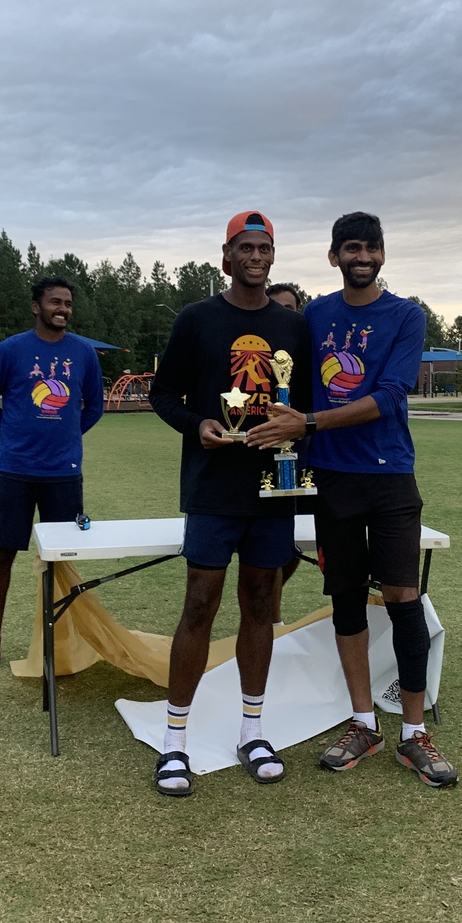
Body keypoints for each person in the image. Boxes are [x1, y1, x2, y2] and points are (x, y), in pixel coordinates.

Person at [249, 211, 457, 788]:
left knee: (403, 598)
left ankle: (414, 732)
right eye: (352, 248)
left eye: (371, 248)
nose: (362, 257)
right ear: (334, 256)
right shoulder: (316, 315)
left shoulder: (406, 315)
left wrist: (309, 422)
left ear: (383, 254)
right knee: (345, 599)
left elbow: (390, 396)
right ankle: (364, 723)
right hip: (332, 477)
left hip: (390, 476)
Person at [148, 211, 311, 796]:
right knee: (200, 604)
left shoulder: (293, 327)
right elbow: (162, 394)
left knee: (261, 602)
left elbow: (307, 405)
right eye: (245, 247)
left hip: (274, 486)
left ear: (273, 256)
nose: (255, 256)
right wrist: (198, 425)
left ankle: (252, 731)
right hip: (214, 486)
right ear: (226, 257)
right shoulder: (197, 319)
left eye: (264, 248)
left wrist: (295, 427)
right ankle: (175, 741)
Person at [0, 277, 105, 673]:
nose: (62, 309)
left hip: (64, 473)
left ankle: (61, 642)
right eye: (54, 302)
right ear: (36, 306)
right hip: (14, 471)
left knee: (62, 559)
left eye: (68, 303)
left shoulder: (83, 352)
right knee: (2, 555)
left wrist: (66, 437)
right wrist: (12, 438)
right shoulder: (11, 350)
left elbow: (94, 407)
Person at [266, 281, 307, 622]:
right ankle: (272, 618)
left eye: (289, 308)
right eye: (275, 307)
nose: (281, 314)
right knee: (269, 548)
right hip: (261, 457)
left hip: (304, 454)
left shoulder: (303, 346)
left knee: (297, 544)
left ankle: (269, 611)